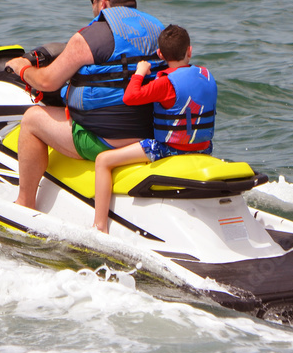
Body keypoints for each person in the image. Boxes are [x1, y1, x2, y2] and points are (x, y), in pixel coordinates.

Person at [5, 0, 165, 209]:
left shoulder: (91, 37)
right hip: (151, 133)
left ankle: (25, 204)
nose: (92, 6)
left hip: (107, 138)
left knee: (31, 120)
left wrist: (22, 69)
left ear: (104, 2)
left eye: (92, 0)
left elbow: (47, 81)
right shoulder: (159, 30)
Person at [92, 24, 216, 233]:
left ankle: (99, 226)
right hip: (204, 148)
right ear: (189, 51)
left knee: (103, 161)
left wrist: (140, 72)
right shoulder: (207, 75)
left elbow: (130, 97)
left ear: (160, 54)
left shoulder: (165, 83)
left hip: (169, 150)